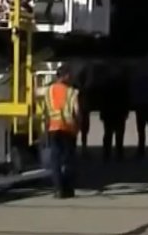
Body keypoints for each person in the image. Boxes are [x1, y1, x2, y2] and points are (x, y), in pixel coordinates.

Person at [40, 65, 81, 198]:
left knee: (55, 161)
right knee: (68, 160)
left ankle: (58, 189)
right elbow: (77, 111)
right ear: (66, 76)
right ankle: (68, 189)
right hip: (68, 129)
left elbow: (36, 93)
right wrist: (79, 126)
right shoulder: (72, 92)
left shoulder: (48, 90)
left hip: (53, 128)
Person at [98, 64, 131, 162]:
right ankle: (119, 153)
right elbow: (126, 99)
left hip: (109, 112)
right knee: (118, 134)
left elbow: (102, 100)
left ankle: (107, 154)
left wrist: (102, 113)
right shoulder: (122, 84)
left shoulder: (105, 84)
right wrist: (126, 111)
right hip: (118, 112)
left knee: (108, 134)